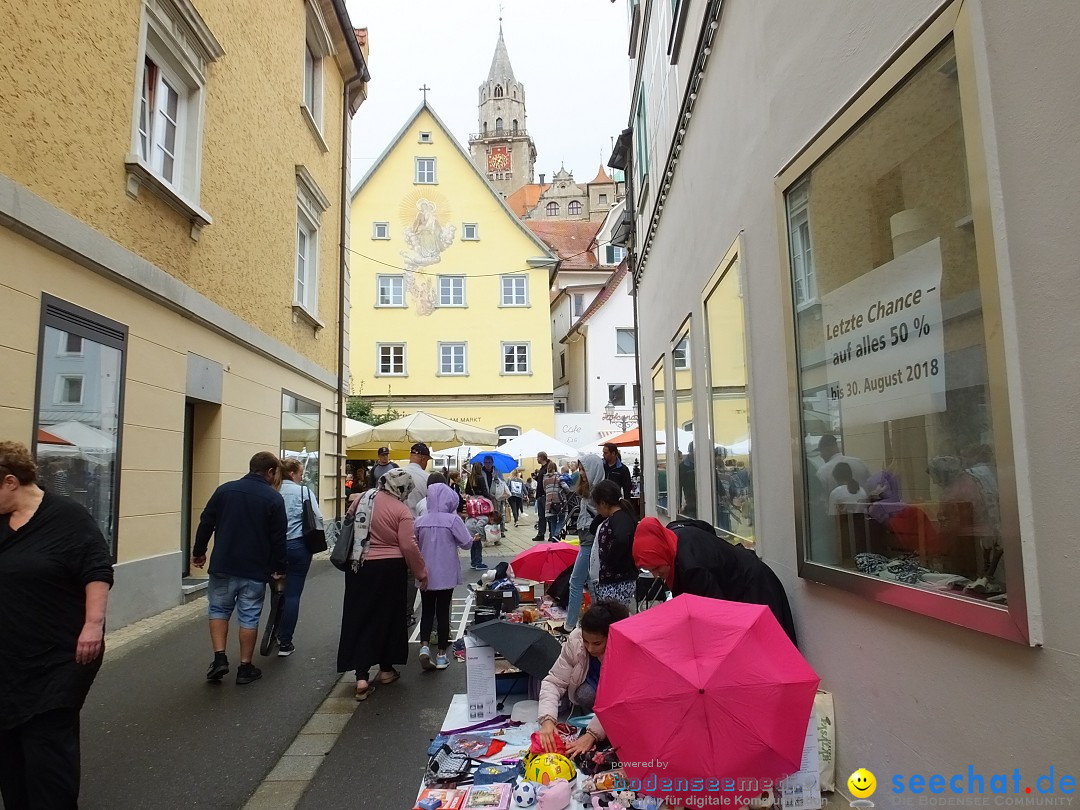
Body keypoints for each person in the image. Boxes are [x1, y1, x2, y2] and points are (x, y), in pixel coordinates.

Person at [0, 441, 113, 808]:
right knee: (9, 754)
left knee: (47, 750)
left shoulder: (67, 517)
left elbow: (96, 569)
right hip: (7, 658)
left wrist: (93, 625)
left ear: (10, 482)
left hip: (61, 656)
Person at [192, 451, 287, 685]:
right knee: (249, 616)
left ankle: (220, 658)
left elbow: (206, 522)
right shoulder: (274, 499)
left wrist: (199, 552)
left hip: (224, 563)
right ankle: (245, 666)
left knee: (218, 610)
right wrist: (278, 567)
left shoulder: (225, 490)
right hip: (254, 568)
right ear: (271, 471)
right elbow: (278, 539)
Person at [337, 469, 428, 701]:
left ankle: (361, 676)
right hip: (390, 569)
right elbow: (408, 546)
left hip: (358, 566)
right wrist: (421, 572)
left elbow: (348, 522)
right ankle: (386, 670)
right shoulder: (401, 511)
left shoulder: (362, 498)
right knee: (389, 618)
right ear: (402, 489)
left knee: (360, 616)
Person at [634, 517, 798, 645]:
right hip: (737, 581)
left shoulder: (692, 568)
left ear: (664, 552)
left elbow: (715, 615)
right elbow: (706, 528)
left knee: (768, 649)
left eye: (657, 568)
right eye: (650, 570)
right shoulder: (672, 532)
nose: (656, 575)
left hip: (755, 589)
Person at [538, 600, 630, 757]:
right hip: (592, 689)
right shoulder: (575, 641)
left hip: (619, 702)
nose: (590, 648)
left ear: (613, 637)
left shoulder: (627, 650)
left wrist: (592, 735)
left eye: (597, 643)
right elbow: (554, 681)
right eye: (586, 641)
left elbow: (619, 700)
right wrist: (547, 720)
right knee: (585, 694)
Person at [414, 483, 474, 671]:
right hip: (446, 573)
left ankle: (424, 645)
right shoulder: (452, 520)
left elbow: (413, 543)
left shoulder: (420, 520)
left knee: (427, 611)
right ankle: (441, 655)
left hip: (425, 573)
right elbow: (466, 543)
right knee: (442, 613)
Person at [277, 459, 324, 657]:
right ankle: (285, 642)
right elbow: (318, 517)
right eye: (300, 473)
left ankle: (275, 628)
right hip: (298, 545)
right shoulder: (304, 492)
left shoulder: (274, 491)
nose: (302, 476)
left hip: (276, 547)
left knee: (278, 589)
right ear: (293, 474)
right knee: (293, 594)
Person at [560, 454, 605, 634]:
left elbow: (601, 514)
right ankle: (599, 619)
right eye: (580, 469)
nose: (581, 473)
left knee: (576, 581)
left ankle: (570, 624)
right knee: (590, 583)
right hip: (587, 537)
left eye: (584, 469)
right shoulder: (592, 488)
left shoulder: (598, 490)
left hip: (590, 539)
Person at [589, 480, 640, 612]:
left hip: (617, 581)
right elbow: (593, 528)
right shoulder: (612, 517)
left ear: (603, 503)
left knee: (613, 617)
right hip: (611, 580)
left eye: (597, 506)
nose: (597, 510)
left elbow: (622, 540)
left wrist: (610, 562)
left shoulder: (620, 518)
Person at [402, 442, 432, 626]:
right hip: (416, 529)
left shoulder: (393, 474)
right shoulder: (426, 478)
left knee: (396, 572)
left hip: (392, 530)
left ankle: (394, 611)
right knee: (414, 573)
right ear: (422, 458)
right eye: (427, 459)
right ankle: (406, 613)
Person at [463, 497, 495, 571]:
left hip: (468, 528)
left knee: (473, 547)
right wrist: (483, 536)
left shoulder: (478, 515)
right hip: (473, 531)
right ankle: (478, 563)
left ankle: (473, 563)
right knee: (478, 547)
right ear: (492, 518)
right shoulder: (485, 518)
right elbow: (478, 526)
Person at [542, 460, 571, 541]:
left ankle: (552, 536)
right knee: (562, 518)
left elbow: (545, 489)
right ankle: (556, 534)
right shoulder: (559, 477)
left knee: (553, 519)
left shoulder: (545, 478)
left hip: (549, 502)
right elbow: (566, 488)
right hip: (559, 501)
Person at [531, 451, 550, 541]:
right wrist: (536, 477)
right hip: (540, 494)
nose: (537, 459)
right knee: (541, 516)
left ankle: (550, 533)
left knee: (548, 515)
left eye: (538, 457)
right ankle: (541, 533)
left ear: (541, 458)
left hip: (545, 494)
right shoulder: (542, 468)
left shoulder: (548, 467)